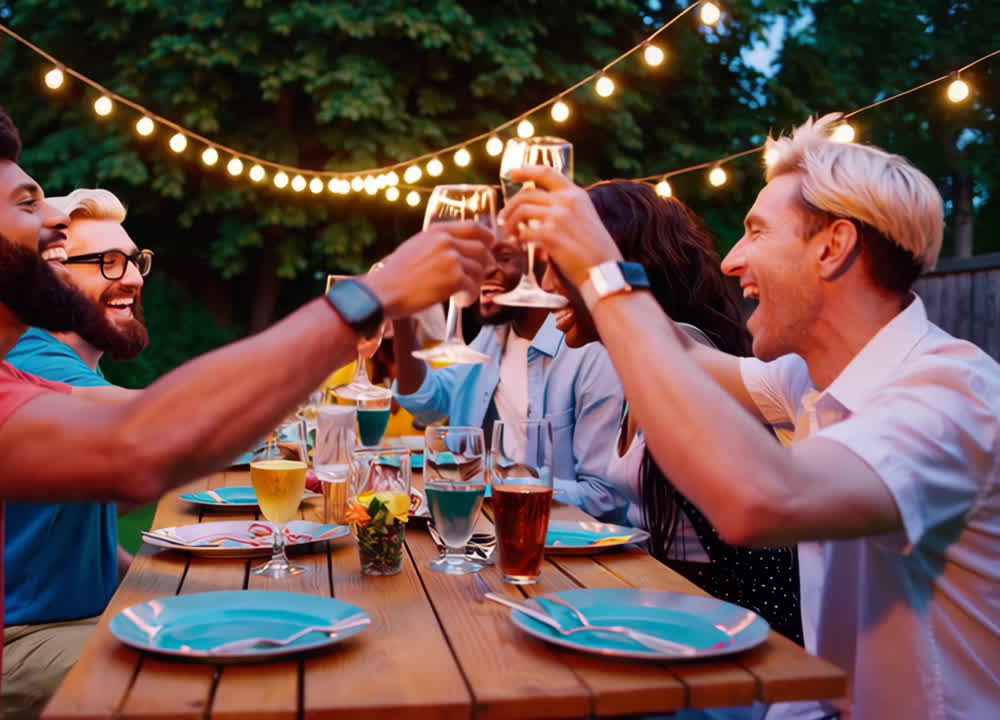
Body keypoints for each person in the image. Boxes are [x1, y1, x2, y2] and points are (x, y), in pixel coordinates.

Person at [0, 101, 493, 720]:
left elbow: (163, 429)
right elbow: (142, 447)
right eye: (30, 203)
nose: (53, 225)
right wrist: (369, 296)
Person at [503, 113, 999, 719]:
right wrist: (584, 285)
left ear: (833, 246)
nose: (733, 260)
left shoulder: (950, 395)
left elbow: (758, 502)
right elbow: (680, 353)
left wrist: (606, 275)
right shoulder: (807, 381)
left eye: (757, 232)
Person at [542, 179, 801, 643]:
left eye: (561, 267)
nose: (545, 287)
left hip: (721, 629)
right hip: (652, 600)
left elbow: (752, 543)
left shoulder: (683, 355)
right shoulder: (636, 363)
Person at [0, 188, 149, 719]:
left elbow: (72, 524)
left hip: (60, 624)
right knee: (191, 672)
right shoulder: (32, 361)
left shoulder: (80, 371)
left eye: (134, 260)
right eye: (107, 263)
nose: (131, 277)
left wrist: (152, 576)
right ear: (52, 277)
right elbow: (158, 428)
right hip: (4, 642)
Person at [392, 229, 623, 511]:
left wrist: (501, 483)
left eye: (503, 257)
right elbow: (426, 403)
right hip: (484, 518)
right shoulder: (491, 338)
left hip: (561, 538)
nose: (485, 269)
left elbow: (604, 496)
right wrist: (401, 316)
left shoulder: (591, 353)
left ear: (541, 267)